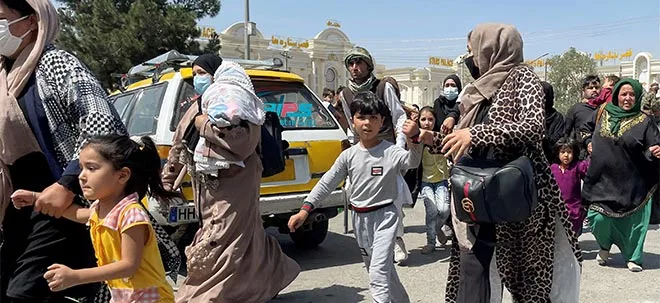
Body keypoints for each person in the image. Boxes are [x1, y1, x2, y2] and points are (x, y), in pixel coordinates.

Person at [404, 23, 581, 303]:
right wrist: (426, 137)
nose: (470, 58)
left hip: (518, 198)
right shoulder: (478, 91)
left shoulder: (523, 77)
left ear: (492, 48)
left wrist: (475, 133)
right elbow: (464, 145)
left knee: (526, 280)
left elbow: (533, 127)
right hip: (478, 195)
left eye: (472, 50)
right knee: (474, 272)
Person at [0, 1, 127, 302]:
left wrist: (67, 183)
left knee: (23, 294)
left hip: (61, 209)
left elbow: (104, 123)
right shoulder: (4, 74)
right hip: (17, 209)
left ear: (32, 22)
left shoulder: (56, 64)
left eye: (2, 18)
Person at [162, 56, 300, 302]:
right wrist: (168, 178)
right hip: (207, 185)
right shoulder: (199, 105)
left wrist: (205, 125)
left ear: (216, 73)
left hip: (237, 183)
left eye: (202, 72)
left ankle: (207, 296)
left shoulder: (238, 103)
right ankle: (263, 284)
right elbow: (180, 142)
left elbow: (242, 143)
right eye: (194, 73)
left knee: (222, 238)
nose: (197, 78)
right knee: (239, 236)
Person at [288, 91, 420, 303]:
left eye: (373, 118)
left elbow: (411, 162)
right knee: (380, 270)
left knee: (378, 273)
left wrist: (414, 139)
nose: (367, 123)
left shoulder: (391, 152)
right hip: (360, 220)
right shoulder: (348, 156)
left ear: (381, 121)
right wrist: (306, 209)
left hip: (386, 217)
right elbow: (327, 182)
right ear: (353, 121)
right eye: (361, 117)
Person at [12, 135, 176, 302]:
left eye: (91, 168)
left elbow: (128, 266)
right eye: (81, 168)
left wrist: (76, 276)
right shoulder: (101, 210)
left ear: (122, 175)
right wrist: (36, 197)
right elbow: (76, 214)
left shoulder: (131, 215)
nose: (82, 176)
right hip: (126, 297)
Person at [339, 46, 412, 264]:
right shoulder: (345, 93)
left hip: (387, 148)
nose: (354, 68)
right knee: (358, 194)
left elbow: (398, 117)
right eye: (351, 64)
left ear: (368, 65)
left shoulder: (383, 86)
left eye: (359, 63)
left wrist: (399, 147)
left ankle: (397, 239)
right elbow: (351, 127)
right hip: (362, 152)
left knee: (394, 196)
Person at [581, 78, 660, 272]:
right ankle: (605, 246)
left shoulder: (645, 121)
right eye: (624, 94)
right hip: (602, 179)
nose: (627, 98)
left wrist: (655, 151)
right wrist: (588, 142)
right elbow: (584, 129)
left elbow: (654, 145)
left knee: (633, 222)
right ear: (616, 95)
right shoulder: (602, 112)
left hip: (632, 182)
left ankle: (633, 257)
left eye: (632, 94)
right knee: (597, 218)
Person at [416, 106, 451, 254]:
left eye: (430, 119)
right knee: (431, 212)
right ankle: (431, 243)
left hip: (442, 180)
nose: (426, 122)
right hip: (426, 182)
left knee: (444, 210)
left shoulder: (440, 138)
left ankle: (437, 229)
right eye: (423, 119)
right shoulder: (417, 140)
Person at [550, 138, 590, 236]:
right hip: (556, 210)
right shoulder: (552, 168)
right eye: (562, 152)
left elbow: (590, 170)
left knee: (573, 236)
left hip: (574, 210)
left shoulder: (577, 166)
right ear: (557, 153)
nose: (566, 155)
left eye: (569, 152)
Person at [564, 75, 602, 150]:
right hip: (581, 154)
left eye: (597, 88)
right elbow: (566, 133)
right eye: (590, 88)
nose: (594, 90)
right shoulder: (575, 109)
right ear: (583, 91)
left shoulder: (604, 108)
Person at [541, 81, 565, 163]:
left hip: (551, 160)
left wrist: (544, 139)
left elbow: (558, 137)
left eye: (546, 94)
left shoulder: (557, 117)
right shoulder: (531, 115)